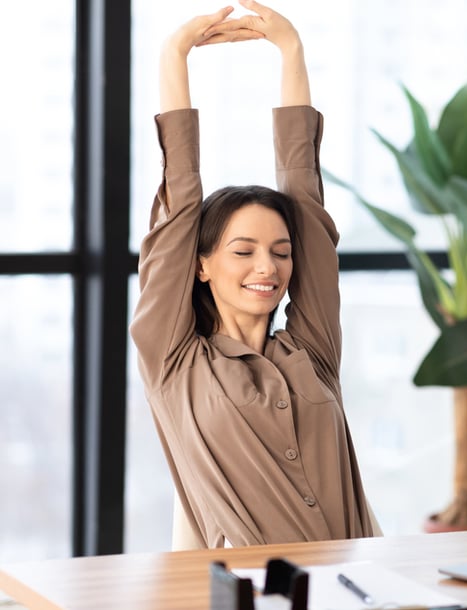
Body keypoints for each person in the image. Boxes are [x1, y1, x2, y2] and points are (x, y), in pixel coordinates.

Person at [130, 0, 378, 549]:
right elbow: (179, 207)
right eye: (243, 252)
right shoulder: (174, 362)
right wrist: (174, 54)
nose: (268, 267)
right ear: (201, 264)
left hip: (362, 585)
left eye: (280, 252)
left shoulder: (311, 352)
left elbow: (305, 200)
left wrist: (291, 50)